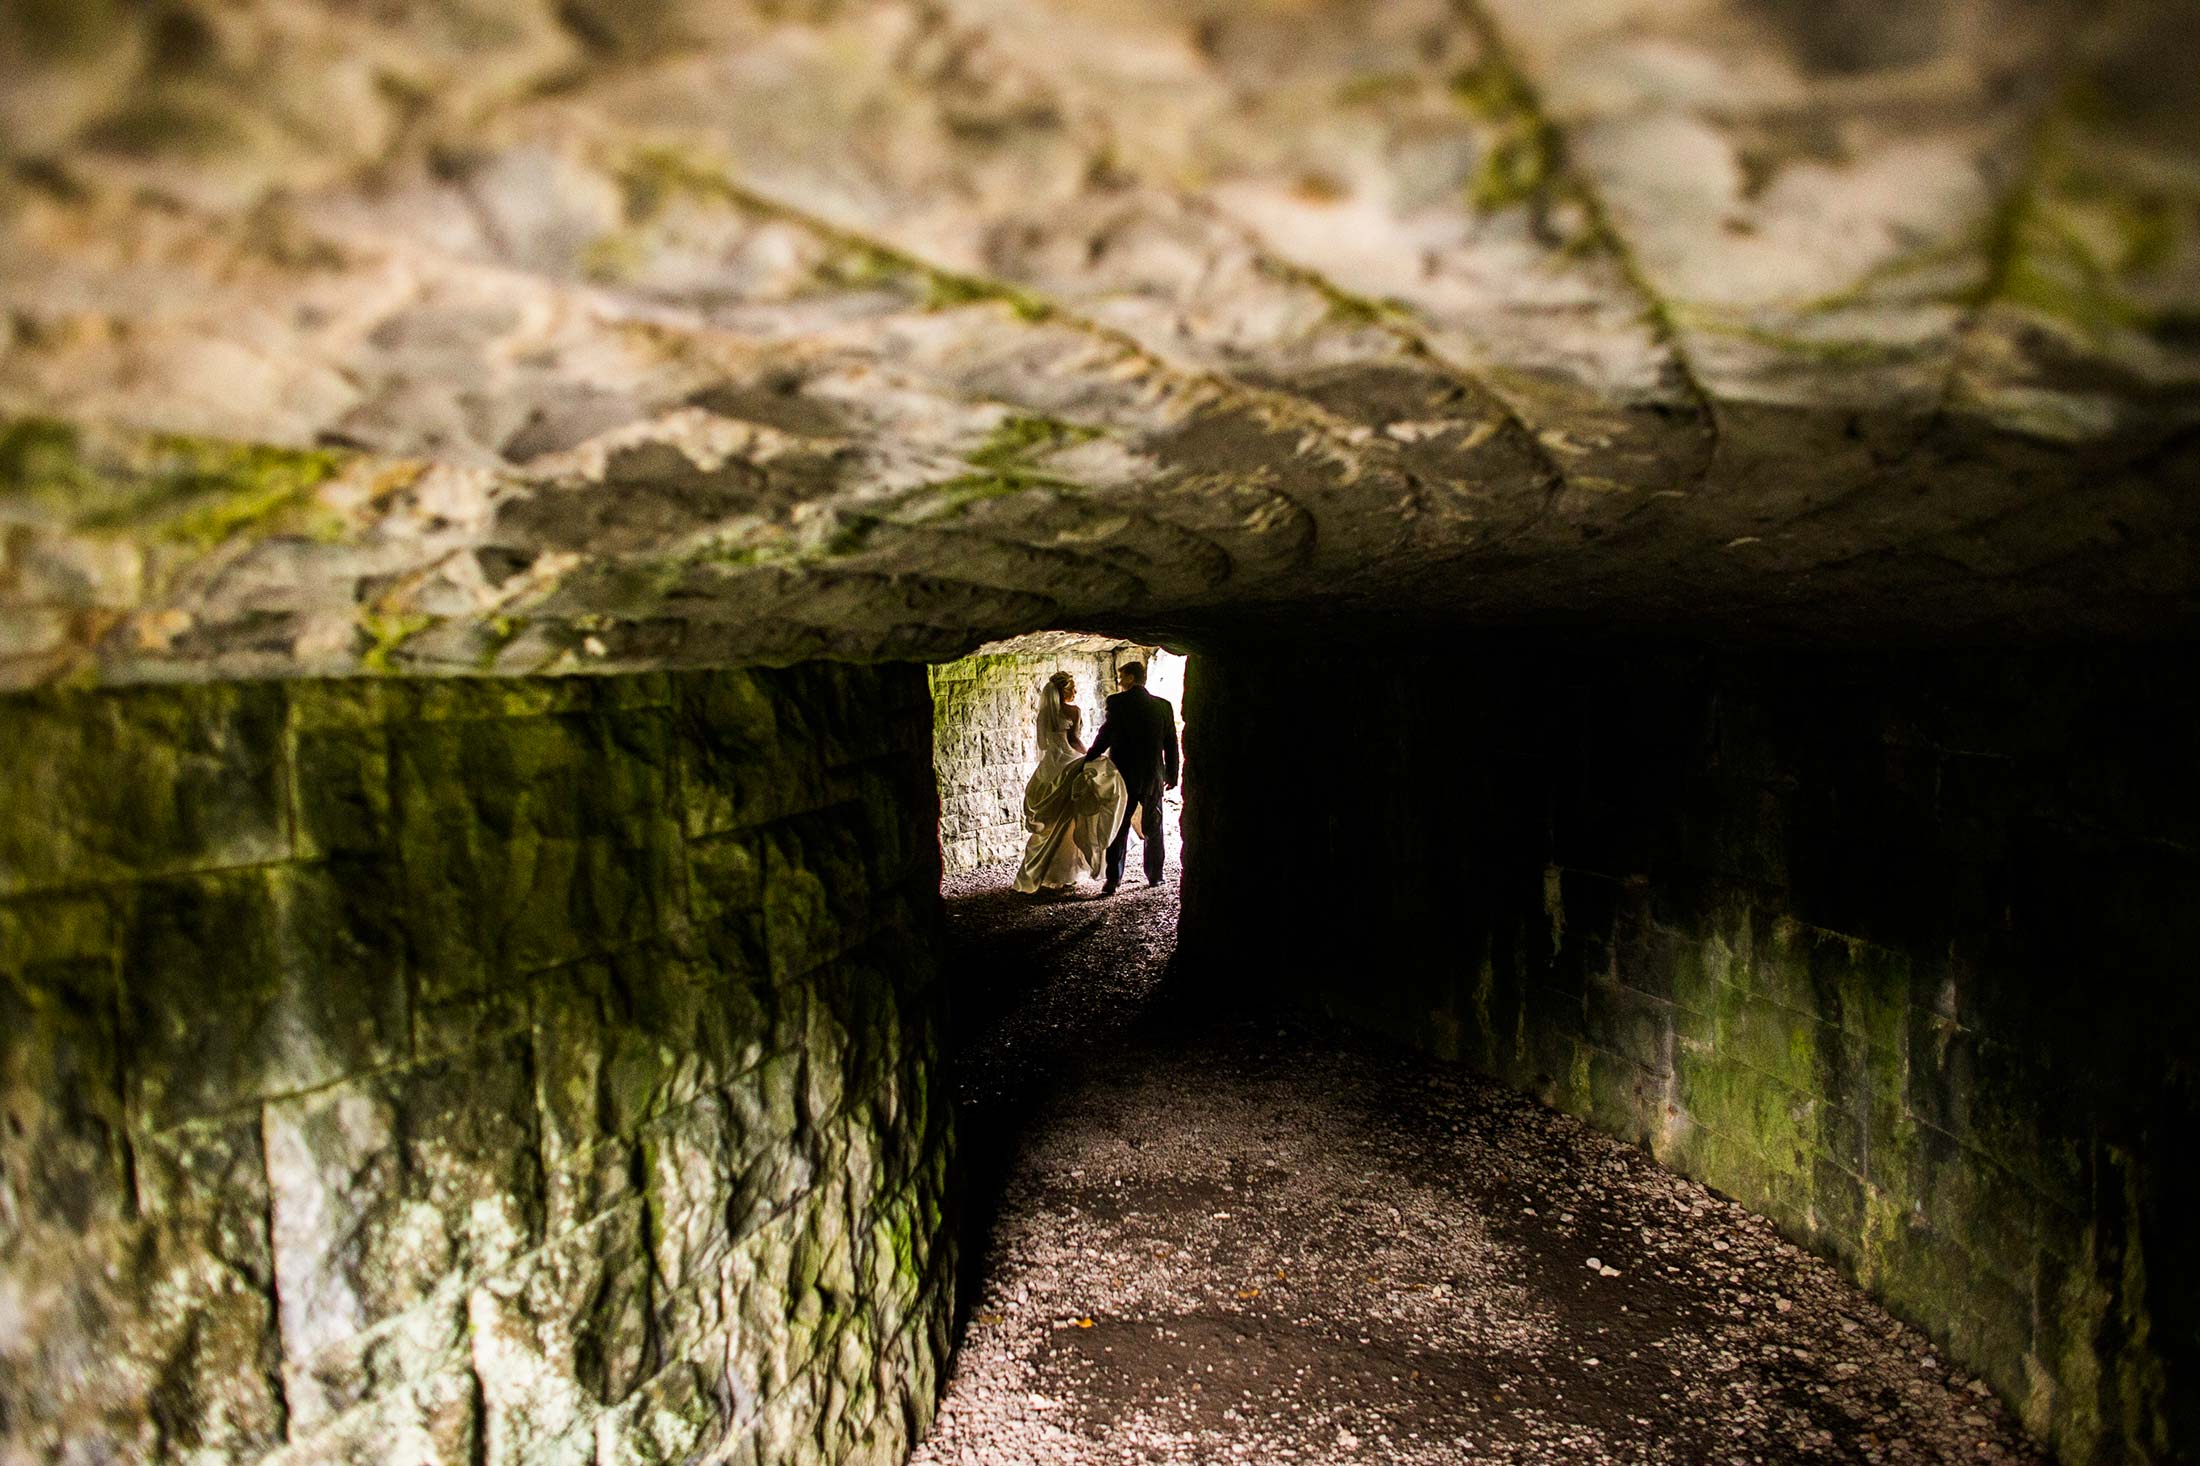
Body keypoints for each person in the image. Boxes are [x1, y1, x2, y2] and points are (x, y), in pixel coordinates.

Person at [1013, 671, 1128, 895]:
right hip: (1069, 760)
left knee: (1053, 822)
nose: (1075, 692)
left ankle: (1042, 872)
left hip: (1050, 765)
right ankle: (1065, 872)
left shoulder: (1044, 714)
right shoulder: (1073, 711)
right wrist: (1089, 756)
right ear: (1064, 691)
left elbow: (1043, 744)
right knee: (1070, 818)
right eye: (1072, 688)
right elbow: (1074, 739)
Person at [1082, 660, 1179, 895]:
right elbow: (1171, 743)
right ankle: (1156, 876)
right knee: (1153, 826)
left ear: (1132, 678)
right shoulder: (1163, 706)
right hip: (1152, 774)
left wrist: (1088, 759)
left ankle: (1113, 880)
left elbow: (1106, 735)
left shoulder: (1117, 703)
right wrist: (1172, 773)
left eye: (1122, 676)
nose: (1119, 680)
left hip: (1124, 774)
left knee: (1120, 826)